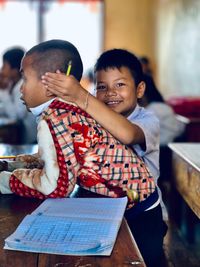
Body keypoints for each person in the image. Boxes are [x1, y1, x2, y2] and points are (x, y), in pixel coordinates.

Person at [40, 48, 167, 267]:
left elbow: (127, 134)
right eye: (101, 86)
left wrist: (81, 96)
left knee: (143, 261)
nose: (110, 93)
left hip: (142, 215)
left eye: (120, 85)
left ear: (139, 89)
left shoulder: (148, 121)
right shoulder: (94, 117)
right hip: (103, 211)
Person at [0, 47, 37, 144]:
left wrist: (3, 91)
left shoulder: (22, 86)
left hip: (29, 140)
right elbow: (8, 109)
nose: (1, 69)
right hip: (19, 134)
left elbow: (16, 116)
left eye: (4, 66)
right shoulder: (11, 84)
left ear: (15, 70)